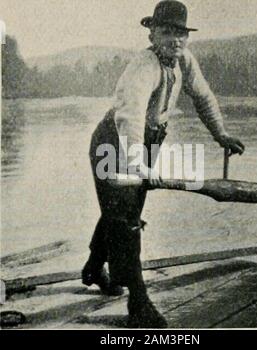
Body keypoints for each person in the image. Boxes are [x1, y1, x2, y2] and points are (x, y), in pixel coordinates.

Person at [82, 0, 245, 328]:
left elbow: (204, 98)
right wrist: (137, 165)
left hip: (148, 142)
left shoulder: (185, 61)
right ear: (152, 34)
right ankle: (138, 303)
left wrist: (221, 134)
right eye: (167, 32)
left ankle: (93, 267)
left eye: (181, 34)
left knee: (124, 209)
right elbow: (128, 117)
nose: (175, 40)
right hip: (114, 143)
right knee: (127, 219)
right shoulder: (143, 67)